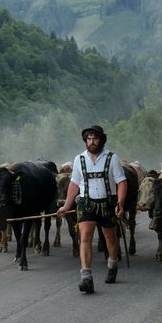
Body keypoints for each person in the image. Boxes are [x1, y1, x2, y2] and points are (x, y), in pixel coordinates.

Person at [56, 124, 127, 294]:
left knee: (110, 238)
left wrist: (121, 203)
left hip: (107, 203)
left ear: (101, 140)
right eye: (89, 138)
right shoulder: (79, 159)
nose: (92, 141)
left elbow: (121, 182)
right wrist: (66, 205)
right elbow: (74, 184)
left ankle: (112, 264)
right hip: (86, 203)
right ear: (85, 141)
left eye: (95, 138)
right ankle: (86, 277)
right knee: (85, 236)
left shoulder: (112, 158)